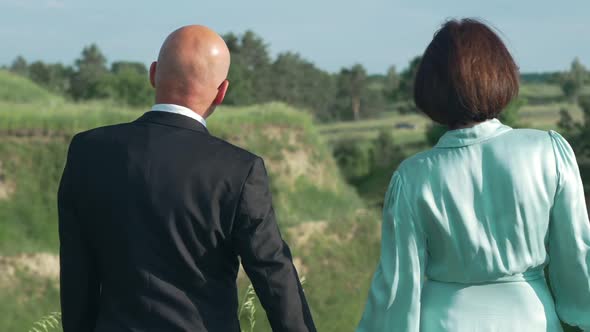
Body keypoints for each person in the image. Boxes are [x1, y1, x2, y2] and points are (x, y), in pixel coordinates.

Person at [58, 25, 316, 332]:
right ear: (222, 92)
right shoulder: (239, 170)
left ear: (153, 74)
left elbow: (77, 274)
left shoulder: (88, 152)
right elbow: (275, 277)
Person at [357, 18, 590, 332]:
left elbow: (397, 285)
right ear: (502, 73)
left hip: (443, 321)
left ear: (430, 87)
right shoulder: (548, 152)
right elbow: (576, 256)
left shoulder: (412, 177)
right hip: (530, 318)